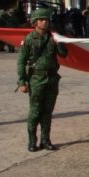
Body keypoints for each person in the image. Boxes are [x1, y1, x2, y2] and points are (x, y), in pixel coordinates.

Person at [17, 8, 68, 152]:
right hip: (36, 79)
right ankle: (32, 141)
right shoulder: (29, 39)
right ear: (35, 22)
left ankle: (46, 140)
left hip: (52, 78)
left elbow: (63, 55)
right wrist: (22, 81)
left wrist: (60, 42)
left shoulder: (53, 37)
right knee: (35, 112)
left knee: (47, 112)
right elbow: (21, 61)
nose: (45, 22)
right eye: (41, 20)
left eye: (46, 20)